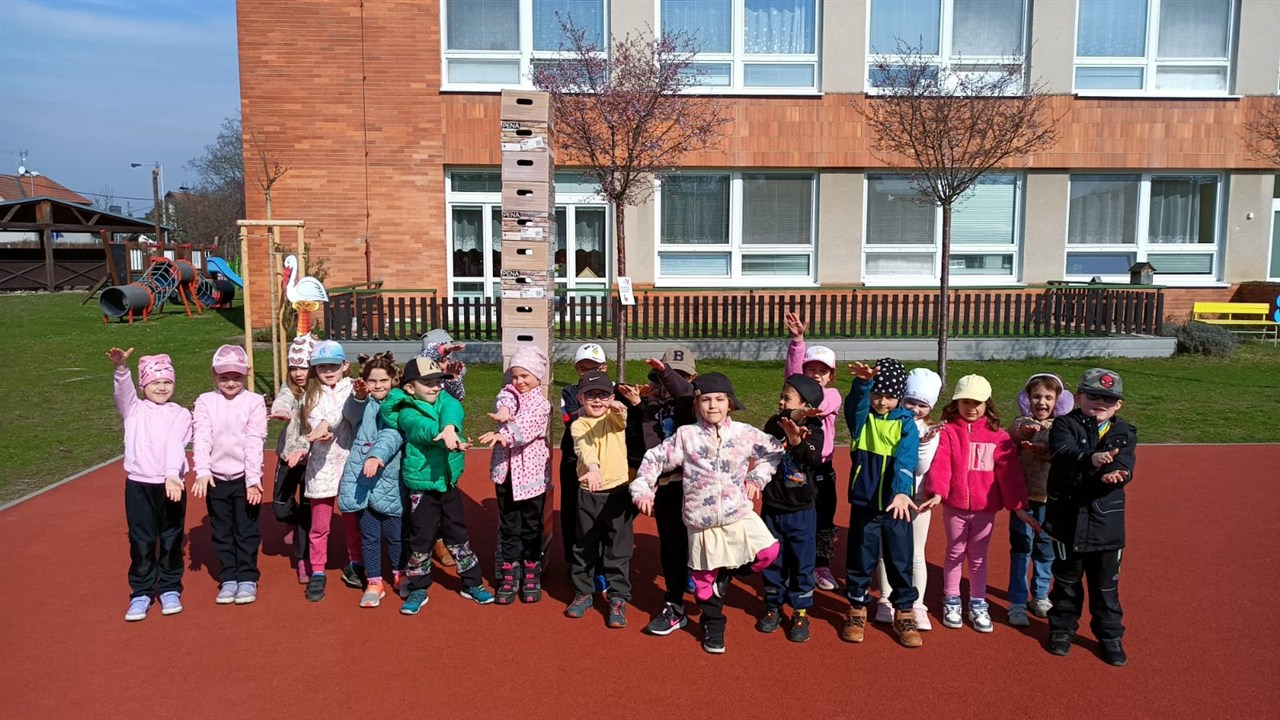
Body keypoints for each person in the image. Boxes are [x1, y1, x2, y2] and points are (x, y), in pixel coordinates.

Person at [632, 373, 783, 654]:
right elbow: (655, 458)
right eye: (706, 400)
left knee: (769, 552)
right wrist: (642, 489)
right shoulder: (687, 436)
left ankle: (728, 575)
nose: (713, 406)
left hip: (737, 512)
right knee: (703, 584)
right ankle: (713, 624)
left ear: (730, 403)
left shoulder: (744, 433)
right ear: (697, 404)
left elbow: (774, 450)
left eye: (720, 400)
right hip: (701, 520)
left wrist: (756, 478)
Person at [380, 356, 494, 614]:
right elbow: (419, 427)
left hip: (448, 482)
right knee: (422, 536)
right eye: (428, 383)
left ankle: (472, 583)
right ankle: (418, 587)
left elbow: (453, 407)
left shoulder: (443, 399)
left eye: (437, 382)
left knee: (458, 533)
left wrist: (450, 427)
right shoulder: (405, 409)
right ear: (410, 388)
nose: (435, 387)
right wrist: (441, 434)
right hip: (422, 486)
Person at [920, 374, 1031, 634]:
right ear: (956, 404)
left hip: (985, 510)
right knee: (954, 552)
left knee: (979, 557)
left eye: (977, 403)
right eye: (965, 402)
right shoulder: (949, 432)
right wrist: (938, 492)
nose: (971, 408)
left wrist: (1017, 504)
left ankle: (978, 601)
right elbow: (942, 464)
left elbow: (1009, 472)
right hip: (955, 508)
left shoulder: (998, 436)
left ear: (986, 404)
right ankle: (951, 599)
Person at [1043, 368, 1136, 667]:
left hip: (1106, 525)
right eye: (1093, 396)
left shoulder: (1124, 432)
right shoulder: (1064, 424)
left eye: (1108, 399)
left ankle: (1110, 636)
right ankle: (1062, 629)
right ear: (1079, 396)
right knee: (1066, 582)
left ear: (1118, 404)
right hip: (1067, 521)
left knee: (1105, 587)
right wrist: (1090, 458)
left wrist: (1118, 473)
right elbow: (1062, 451)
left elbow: (1125, 463)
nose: (1100, 403)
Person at [841, 358, 924, 648]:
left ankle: (904, 611)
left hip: (896, 505)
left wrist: (902, 491)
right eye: (877, 394)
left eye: (889, 396)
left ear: (899, 396)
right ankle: (857, 607)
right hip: (865, 502)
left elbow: (906, 460)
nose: (881, 401)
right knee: (860, 557)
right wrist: (863, 384)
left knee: (900, 559)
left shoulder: (906, 424)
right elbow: (855, 404)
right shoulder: (862, 419)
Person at [618, 348, 697, 636]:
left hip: (696, 484)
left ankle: (702, 589)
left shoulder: (692, 402)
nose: (669, 383)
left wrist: (667, 373)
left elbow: (684, 392)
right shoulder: (652, 407)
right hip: (667, 484)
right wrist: (640, 405)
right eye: (663, 377)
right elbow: (652, 444)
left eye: (680, 375)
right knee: (671, 543)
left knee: (699, 541)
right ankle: (674, 603)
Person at [109, 348, 192, 622]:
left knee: (171, 538)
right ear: (144, 385)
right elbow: (123, 394)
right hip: (139, 485)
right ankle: (141, 592)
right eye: (155, 382)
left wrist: (172, 475)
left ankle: (170, 588)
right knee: (142, 540)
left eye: (167, 382)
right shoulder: (134, 410)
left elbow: (175, 444)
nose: (162, 387)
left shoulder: (181, 414)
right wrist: (122, 369)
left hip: (172, 485)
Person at [282, 340, 360, 602]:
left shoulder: (354, 387)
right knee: (320, 526)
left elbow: (347, 411)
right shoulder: (310, 395)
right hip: (321, 467)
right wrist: (318, 431)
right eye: (321, 366)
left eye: (333, 366)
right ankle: (317, 570)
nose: (328, 371)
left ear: (344, 365)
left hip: (349, 464)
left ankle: (356, 563)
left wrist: (327, 423)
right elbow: (313, 422)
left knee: (352, 522)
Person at [191, 345, 268, 606]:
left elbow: (255, 439)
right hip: (216, 479)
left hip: (245, 479)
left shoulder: (254, 402)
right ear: (214, 375)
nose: (231, 382)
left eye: (236, 377)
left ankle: (246, 577)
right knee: (222, 530)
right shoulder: (205, 401)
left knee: (246, 530)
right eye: (224, 377)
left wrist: (253, 479)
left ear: (245, 374)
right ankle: (228, 577)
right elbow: (202, 436)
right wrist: (202, 471)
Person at [478, 345, 552, 605]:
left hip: (531, 478)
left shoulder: (541, 404)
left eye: (525, 376)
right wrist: (503, 411)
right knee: (509, 524)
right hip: (507, 476)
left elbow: (527, 426)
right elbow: (505, 400)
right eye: (515, 376)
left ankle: (531, 569)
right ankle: (510, 572)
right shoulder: (509, 394)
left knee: (531, 525)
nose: (519, 381)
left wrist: (503, 434)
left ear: (537, 377)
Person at [564, 370, 635, 628]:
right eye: (590, 395)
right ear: (581, 398)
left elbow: (621, 419)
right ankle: (583, 592)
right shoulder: (578, 424)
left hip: (618, 493)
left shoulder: (614, 419)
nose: (597, 400)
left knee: (618, 549)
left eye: (603, 395)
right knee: (585, 545)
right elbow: (584, 448)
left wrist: (617, 409)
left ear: (612, 397)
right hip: (589, 493)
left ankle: (618, 597)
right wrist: (593, 469)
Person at [757, 374, 826, 643]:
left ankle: (800, 610)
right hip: (773, 508)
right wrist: (791, 415)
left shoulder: (816, 431)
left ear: (807, 405)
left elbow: (812, 457)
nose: (780, 401)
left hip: (802, 511)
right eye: (781, 396)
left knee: (802, 562)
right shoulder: (775, 424)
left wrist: (797, 441)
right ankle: (773, 605)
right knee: (773, 560)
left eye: (787, 398)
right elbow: (771, 429)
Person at [874, 367, 942, 630]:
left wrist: (924, 442)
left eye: (922, 405)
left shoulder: (930, 431)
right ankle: (885, 598)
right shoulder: (893, 422)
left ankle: (917, 604)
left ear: (930, 407)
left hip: (918, 499)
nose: (915, 409)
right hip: (891, 496)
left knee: (915, 553)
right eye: (910, 402)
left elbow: (920, 467)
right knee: (886, 551)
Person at [339, 352, 406, 609]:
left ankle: (399, 574)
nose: (378, 386)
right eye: (372, 381)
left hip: (389, 479)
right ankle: (374, 581)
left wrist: (376, 456)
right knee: (369, 535)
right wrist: (358, 396)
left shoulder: (399, 403)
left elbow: (394, 433)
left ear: (393, 381)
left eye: (383, 380)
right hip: (363, 481)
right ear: (365, 381)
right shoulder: (363, 402)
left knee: (395, 534)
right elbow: (350, 414)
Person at [1006, 373, 1074, 627]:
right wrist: (1025, 431)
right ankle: (1017, 600)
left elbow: (1061, 451)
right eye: (1036, 396)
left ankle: (1041, 595)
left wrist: (1042, 449)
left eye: (1048, 397)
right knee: (1021, 548)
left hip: (1049, 500)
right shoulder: (1021, 421)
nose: (1041, 402)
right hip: (1023, 500)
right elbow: (1013, 434)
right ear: (1027, 399)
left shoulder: (1062, 426)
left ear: (1058, 401)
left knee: (1045, 549)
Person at [782, 311, 843, 590]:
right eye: (810, 370)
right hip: (798, 465)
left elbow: (819, 404)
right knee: (795, 517)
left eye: (822, 371)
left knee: (824, 517)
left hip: (822, 468)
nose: (816, 375)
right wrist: (797, 341)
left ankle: (821, 565)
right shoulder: (795, 395)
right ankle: (792, 565)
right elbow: (794, 380)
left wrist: (803, 408)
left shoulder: (832, 395)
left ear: (831, 376)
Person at [558, 342, 608, 582]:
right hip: (573, 458)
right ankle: (574, 561)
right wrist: (597, 406)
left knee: (603, 512)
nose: (589, 373)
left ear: (604, 367)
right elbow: (569, 418)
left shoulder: (613, 392)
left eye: (594, 368)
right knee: (572, 509)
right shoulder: (569, 392)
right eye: (583, 368)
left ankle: (602, 563)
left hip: (606, 458)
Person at [417, 329, 467, 569]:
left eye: (447, 358)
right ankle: (434, 541)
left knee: (448, 496)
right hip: (426, 446)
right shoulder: (418, 373)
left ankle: (448, 539)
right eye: (441, 357)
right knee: (426, 499)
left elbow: (458, 398)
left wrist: (454, 378)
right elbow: (426, 357)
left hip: (447, 447)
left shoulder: (446, 377)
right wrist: (440, 351)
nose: (444, 362)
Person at [270, 335, 316, 583]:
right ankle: (292, 522)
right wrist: (280, 409)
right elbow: (283, 399)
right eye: (294, 368)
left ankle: (303, 559)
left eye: (304, 367)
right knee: (280, 506)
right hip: (288, 456)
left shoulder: (321, 392)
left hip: (312, 458)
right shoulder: (289, 388)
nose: (298, 373)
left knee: (308, 512)